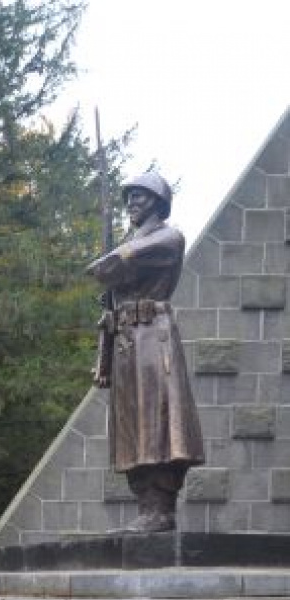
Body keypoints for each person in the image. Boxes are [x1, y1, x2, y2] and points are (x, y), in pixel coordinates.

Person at [87, 170, 204, 533]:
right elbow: (108, 280)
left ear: (157, 200)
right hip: (126, 340)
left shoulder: (169, 237)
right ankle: (146, 507)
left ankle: (160, 509)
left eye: (138, 196)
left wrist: (111, 258)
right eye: (128, 197)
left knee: (157, 419)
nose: (131, 203)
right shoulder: (134, 240)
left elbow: (107, 267)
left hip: (153, 336)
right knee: (130, 425)